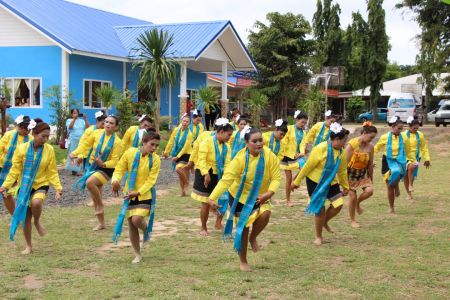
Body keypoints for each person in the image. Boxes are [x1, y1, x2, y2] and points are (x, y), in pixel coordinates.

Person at [209, 128, 281, 272]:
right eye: (254, 141)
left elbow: (276, 178)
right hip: (239, 196)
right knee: (243, 228)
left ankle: (253, 238)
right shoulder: (239, 159)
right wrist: (212, 197)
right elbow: (226, 180)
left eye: (260, 140)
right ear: (246, 143)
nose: (259, 144)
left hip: (260, 195)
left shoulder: (269, 156)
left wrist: (269, 193)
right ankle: (243, 261)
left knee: (266, 214)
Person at [0, 121, 62, 255]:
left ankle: (38, 221)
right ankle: (28, 246)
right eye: (43, 136)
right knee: (26, 217)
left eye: (47, 137)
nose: (45, 140)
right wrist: (5, 185)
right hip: (25, 186)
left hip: (41, 183)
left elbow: (52, 171)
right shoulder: (21, 149)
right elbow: (15, 170)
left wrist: (58, 187)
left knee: (37, 202)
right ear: (34, 134)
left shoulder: (49, 150)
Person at [292, 123, 350, 245]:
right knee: (320, 209)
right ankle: (318, 236)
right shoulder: (320, 148)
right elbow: (308, 166)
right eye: (344, 140)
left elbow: (342, 170)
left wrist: (345, 186)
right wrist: (296, 182)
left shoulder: (342, 152)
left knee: (338, 204)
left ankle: (323, 222)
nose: (345, 143)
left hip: (331, 182)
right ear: (336, 139)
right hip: (315, 181)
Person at [111, 130, 161, 264]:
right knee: (131, 224)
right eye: (152, 145)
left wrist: (138, 192)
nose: (155, 148)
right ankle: (137, 254)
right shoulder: (130, 153)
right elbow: (119, 169)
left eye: (157, 146)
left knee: (137, 219)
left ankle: (146, 230)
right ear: (144, 142)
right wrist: (115, 181)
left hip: (145, 194)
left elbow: (151, 180)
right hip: (129, 194)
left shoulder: (155, 159)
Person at [70, 116, 124, 230]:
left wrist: (103, 163)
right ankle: (101, 223)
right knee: (95, 195)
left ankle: (100, 205)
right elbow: (85, 145)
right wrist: (75, 153)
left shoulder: (118, 142)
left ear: (116, 127)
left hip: (106, 169)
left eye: (111, 123)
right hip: (93, 166)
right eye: (106, 122)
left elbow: (115, 161)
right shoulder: (97, 133)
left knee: (90, 182)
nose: (108, 124)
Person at [191, 118, 233, 236]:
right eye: (228, 135)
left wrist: (227, 176)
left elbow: (228, 163)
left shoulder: (227, 147)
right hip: (205, 174)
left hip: (219, 175)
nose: (229, 137)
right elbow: (201, 160)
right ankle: (203, 227)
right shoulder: (206, 142)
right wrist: (206, 174)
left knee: (223, 199)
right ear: (221, 132)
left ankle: (218, 222)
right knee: (205, 202)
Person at [374, 116, 415, 213]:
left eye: (402, 129)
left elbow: (409, 151)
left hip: (400, 161)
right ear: (393, 126)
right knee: (389, 186)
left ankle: (396, 185)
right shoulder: (384, 137)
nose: (400, 130)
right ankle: (391, 207)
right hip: (387, 162)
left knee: (396, 172)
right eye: (398, 128)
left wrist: (412, 161)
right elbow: (376, 148)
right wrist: (369, 159)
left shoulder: (404, 137)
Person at [345, 122, 377, 228]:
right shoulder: (352, 144)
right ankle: (352, 220)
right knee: (352, 196)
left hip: (362, 173)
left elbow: (370, 164)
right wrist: (342, 180)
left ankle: (358, 204)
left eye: (373, 138)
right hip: (350, 173)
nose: (371, 139)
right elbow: (344, 162)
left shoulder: (371, 147)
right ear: (364, 133)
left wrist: (371, 177)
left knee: (369, 191)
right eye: (371, 137)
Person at [0, 115, 32, 215]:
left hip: (22, 170)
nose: (25, 131)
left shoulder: (31, 139)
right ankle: (14, 215)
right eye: (23, 128)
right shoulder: (9, 135)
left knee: (20, 192)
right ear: (19, 126)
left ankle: (22, 214)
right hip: (6, 168)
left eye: (28, 129)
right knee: (5, 193)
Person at [280, 111, 308, 207]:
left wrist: (301, 153)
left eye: (305, 123)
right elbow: (283, 142)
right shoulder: (288, 129)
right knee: (288, 178)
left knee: (305, 169)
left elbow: (303, 143)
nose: (303, 124)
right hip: (287, 156)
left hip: (298, 155)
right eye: (302, 122)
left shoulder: (304, 132)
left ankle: (294, 184)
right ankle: (288, 200)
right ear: (297, 120)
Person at [163, 114, 193, 196]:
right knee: (180, 174)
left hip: (186, 154)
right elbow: (171, 141)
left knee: (178, 169)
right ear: (181, 121)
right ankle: (182, 192)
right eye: (184, 121)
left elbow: (185, 148)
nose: (185, 123)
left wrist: (178, 157)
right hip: (177, 152)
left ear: (189, 124)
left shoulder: (189, 134)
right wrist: (166, 151)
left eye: (187, 122)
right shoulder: (176, 130)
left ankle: (187, 182)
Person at [403, 116, 431, 201]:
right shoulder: (403, 134)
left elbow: (424, 147)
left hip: (416, 158)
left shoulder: (420, 135)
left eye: (417, 128)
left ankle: (410, 185)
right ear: (409, 126)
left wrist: (427, 158)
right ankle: (409, 193)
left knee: (412, 169)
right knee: (405, 176)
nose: (416, 130)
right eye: (414, 128)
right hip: (405, 157)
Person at [65, 109, 89, 175]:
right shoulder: (69, 120)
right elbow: (70, 127)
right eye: (74, 113)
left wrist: (85, 119)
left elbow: (87, 127)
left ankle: (81, 169)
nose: (75, 114)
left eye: (76, 113)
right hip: (73, 140)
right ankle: (74, 170)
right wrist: (74, 119)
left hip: (82, 140)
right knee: (73, 154)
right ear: (71, 114)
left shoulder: (82, 121)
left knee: (81, 154)